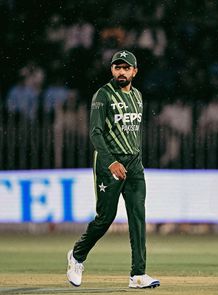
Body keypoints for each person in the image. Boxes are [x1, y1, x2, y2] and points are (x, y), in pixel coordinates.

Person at [66, 50, 160, 289]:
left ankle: (138, 275)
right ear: (111, 70)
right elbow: (95, 133)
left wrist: (135, 159)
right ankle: (77, 255)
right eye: (117, 67)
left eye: (126, 68)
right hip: (109, 164)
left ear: (134, 72)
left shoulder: (138, 96)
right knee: (105, 218)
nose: (121, 72)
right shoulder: (103, 95)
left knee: (138, 217)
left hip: (134, 165)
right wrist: (111, 162)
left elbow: (133, 133)